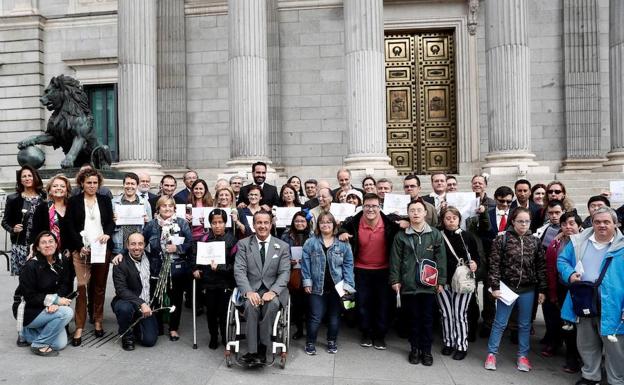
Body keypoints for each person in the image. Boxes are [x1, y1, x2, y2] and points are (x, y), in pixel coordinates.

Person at [558, 207, 624, 385]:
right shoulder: (578, 242)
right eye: (597, 222)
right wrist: (569, 274)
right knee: (586, 343)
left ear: (615, 224)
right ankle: (590, 376)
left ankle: (616, 380)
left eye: (606, 222)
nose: (601, 225)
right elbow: (562, 261)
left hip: (614, 305)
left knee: (615, 347)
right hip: (584, 300)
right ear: (592, 223)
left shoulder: (622, 246)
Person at [484, 207, 546, 372]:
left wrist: (542, 290)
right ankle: (491, 354)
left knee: (525, 324)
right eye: (520, 221)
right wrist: (495, 287)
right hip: (507, 288)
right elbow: (494, 265)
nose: (524, 224)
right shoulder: (502, 239)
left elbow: (541, 266)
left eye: (527, 221)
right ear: (513, 221)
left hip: (528, 289)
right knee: (500, 322)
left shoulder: (535, 241)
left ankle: (523, 356)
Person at [339, 193, 400, 350]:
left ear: (379, 207)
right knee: (363, 303)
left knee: (383, 304)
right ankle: (366, 332)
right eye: (367, 206)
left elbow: (405, 220)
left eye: (374, 206)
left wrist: (405, 222)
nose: (370, 209)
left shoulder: (390, 224)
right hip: (361, 270)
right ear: (362, 207)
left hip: (384, 270)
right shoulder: (353, 223)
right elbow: (340, 227)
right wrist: (341, 232)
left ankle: (380, 335)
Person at [390, 198, 446, 366]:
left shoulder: (435, 234)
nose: (415, 213)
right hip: (409, 285)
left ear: (425, 213)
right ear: (408, 214)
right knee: (413, 319)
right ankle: (414, 349)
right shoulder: (401, 236)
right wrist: (395, 280)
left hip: (429, 285)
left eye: (418, 210)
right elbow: (395, 260)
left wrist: (441, 281)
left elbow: (441, 259)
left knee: (428, 319)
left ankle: (427, 351)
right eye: (412, 210)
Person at [233, 210, 290, 365]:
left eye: (266, 222)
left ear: (271, 225)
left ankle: (263, 348)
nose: (262, 226)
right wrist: (248, 291)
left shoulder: (282, 246)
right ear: (253, 225)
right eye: (259, 222)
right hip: (252, 288)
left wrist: (273, 291)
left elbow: (285, 272)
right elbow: (239, 270)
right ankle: (252, 351)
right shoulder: (244, 244)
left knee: (271, 306)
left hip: (273, 290)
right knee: (251, 307)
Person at [66, 167, 114, 346]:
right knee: (82, 286)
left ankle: (98, 319)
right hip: (82, 250)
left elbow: (109, 222)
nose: (92, 186)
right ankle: (79, 325)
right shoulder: (74, 201)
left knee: (99, 286)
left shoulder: (104, 200)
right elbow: (70, 226)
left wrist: (107, 234)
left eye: (95, 183)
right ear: (82, 183)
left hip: (101, 248)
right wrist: (79, 246)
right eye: (89, 183)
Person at [301, 212, 355, 355]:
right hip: (316, 287)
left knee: (334, 317)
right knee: (315, 316)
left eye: (329, 222)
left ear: (334, 224)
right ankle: (310, 342)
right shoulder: (310, 242)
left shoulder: (342, 243)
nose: (325, 225)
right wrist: (307, 282)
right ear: (318, 225)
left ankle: (332, 341)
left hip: (337, 287)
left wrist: (348, 285)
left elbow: (348, 265)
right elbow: (305, 265)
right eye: (322, 222)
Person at [143, 197, 192, 341]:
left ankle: (173, 328)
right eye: (164, 206)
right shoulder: (151, 225)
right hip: (156, 269)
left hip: (175, 269)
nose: (167, 208)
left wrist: (178, 248)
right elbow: (142, 242)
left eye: (170, 206)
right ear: (158, 208)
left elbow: (190, 243)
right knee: (156, 298)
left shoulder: (182, 223)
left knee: (175, 299)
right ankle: (158, 326)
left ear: (174, 208)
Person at [18, 231, 74, 356]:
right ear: (37, 247)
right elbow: (29, 296)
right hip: (31, 310)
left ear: (56, 244)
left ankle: (31, 334)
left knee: (59, 344)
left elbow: (65, 285)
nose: (48, 245)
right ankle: (38, 343)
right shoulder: (31, 266)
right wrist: (53, 301)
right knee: (67, 313)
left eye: (51, 242)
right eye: (43, 243)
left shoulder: (62, 260)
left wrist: (56, 302)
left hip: (51, 308)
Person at [437, 207, 480, 360]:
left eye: (454, 218)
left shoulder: (467, 236)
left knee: (460, 314)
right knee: (446, 314)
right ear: (442, 220)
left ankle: (462, 345)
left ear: (459, 219)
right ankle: (449, 343)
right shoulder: (438, 236)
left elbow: (476, 257)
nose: (451, 220)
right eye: (447, 218)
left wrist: (475, 264)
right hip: (443, 281)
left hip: (462, 281)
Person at [542, 212, 582, 372]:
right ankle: (563, 349)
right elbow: (551, 267)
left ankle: (575, 356)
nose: (568, 227)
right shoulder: (556, 243)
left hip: (581, 288)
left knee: (575, 324)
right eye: (564, 224)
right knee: (562, 321)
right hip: (560, 286)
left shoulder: (586, 241)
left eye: (572, 223)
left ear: (579, 226)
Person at [192, 209, 238, 349]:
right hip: (208, 282)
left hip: (225, 282)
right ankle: (213, 336)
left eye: (220, 222)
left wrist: (220, 268)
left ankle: (225, 336)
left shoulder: (232, 240)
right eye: (214, 223)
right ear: (210, 224)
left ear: (225, 223)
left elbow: (235, 266)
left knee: (223, 312)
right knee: (210, 312)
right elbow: (196, 258)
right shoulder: (204, 239)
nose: (217, 226)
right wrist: (195, 269)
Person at [111, 233, 158, 351]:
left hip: (147, 304)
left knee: (149, 341)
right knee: (124, 308)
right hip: (129, 302)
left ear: (144, 245)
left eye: (140, 244)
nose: (137, 247)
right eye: (133, 244)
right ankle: (126, 335)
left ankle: (136, 325)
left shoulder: (151, 258)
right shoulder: (120, 262)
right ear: (127, 245)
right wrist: (141, 303)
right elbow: (121, 290)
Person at [2, 165, 45, 275]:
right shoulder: (13, 199)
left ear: (35, 177)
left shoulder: (43, 198)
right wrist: (13, 229)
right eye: (24, 176)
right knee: (24, 280)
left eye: (30, 175)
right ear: (20, 180)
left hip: (39, 246)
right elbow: (4, 222)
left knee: (39, 278)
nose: (27, 178)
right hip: (20, 245)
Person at [280, 211, 311, 340]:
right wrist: (289, 261)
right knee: (297, 304)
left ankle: (310, 330)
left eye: (302, 221)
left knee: (309, 305)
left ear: (307, 223)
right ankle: (299, 330)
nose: (300, 223)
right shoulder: (286, 236)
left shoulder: (312, 236)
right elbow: (280, 255)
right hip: (293, 273)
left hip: (309, 273)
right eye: (297, 221)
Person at [112, 172, 152, 255]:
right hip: (119, 246)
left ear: (137, 186)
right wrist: (112, 221)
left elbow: (150, 228)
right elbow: (108, 226)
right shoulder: (113, 203)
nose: (129, 186)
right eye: (127, 183)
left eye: (132, 184)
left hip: (138, 248)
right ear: (123, 185)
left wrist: (147, 221)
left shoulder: (145, 203)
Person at [30, 174, 72, 252]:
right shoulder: (42, 208)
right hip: (48, 253)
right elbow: (35, 232)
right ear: (49, 190)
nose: (59, 188)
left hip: (71, 254)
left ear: (67, 190)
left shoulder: (72, 207)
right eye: (55, 186)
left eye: (62, 186)